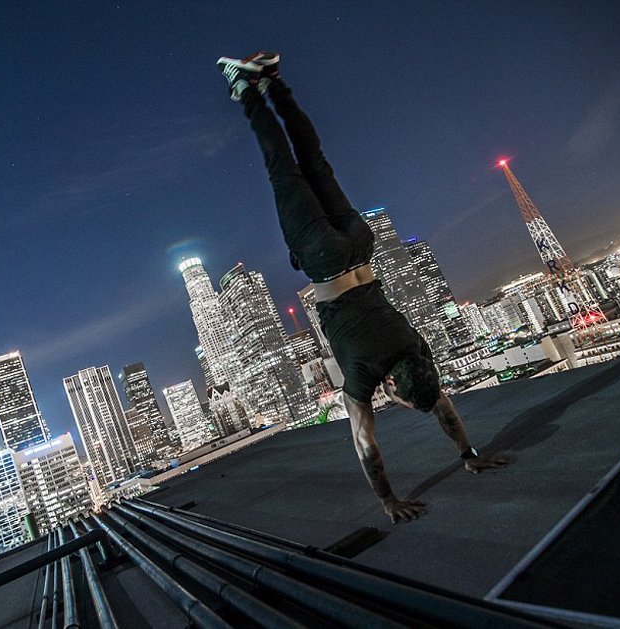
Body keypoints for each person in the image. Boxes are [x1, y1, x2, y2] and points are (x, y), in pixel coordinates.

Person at [217, 52, 513, 524]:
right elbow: (364, 443)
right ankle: (245, 89)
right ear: (391, 384)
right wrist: (387, 501)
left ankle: (274, 82)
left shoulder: (418, 353)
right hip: (322, 258)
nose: (388, 400)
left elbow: (444, 408)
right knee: (283, 168)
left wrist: (468, 452)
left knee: (314, 161)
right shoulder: (361, 376)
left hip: (360, 244)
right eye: (392, 397)